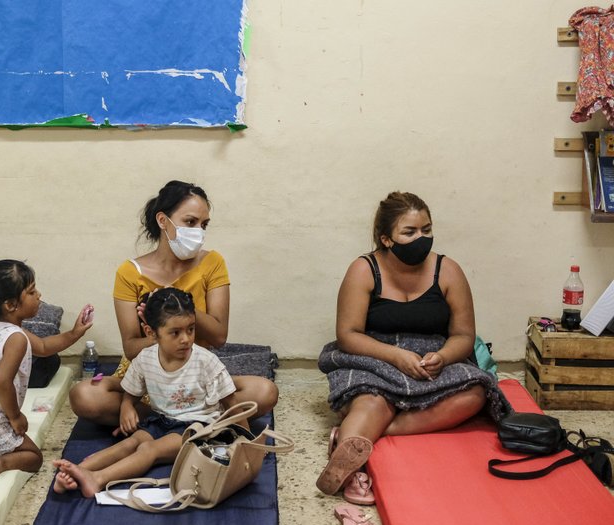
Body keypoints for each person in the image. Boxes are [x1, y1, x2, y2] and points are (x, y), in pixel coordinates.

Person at [317, 191, 488, 502]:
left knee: (476, 392)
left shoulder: (448, 270)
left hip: (430, 358)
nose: (421, 238)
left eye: (426, 229)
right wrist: (395, 357)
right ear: (386, 239)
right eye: (409, 232)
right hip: (375, 354)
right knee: (372, 400)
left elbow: (464, 335)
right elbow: (348, 334)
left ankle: (358, 437)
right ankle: (351, 470)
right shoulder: (364, 269)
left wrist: (443, 356)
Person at [68, 180, 278, 426]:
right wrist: (161, 333)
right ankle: (182, 419)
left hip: (194, 373)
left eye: (204, 225)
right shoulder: (129, 272)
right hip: (147, 378)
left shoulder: (213, 263)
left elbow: (219, 337)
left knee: (264, 392)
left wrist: (179, 302)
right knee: (83, 396)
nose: (198, 231)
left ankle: (167, 421)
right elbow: (131, 348)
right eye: (190, 222)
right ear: (162, 221)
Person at [53, 287, 240, 496]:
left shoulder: (206, 361)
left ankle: (97, 479)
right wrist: (126, 407)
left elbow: (233, 405)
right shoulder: (145, 358)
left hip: (197, 428)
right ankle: (78, 470)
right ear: (151, 333)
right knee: (131, 442)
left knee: (149, 450)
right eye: (175, 333)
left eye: (191, 329)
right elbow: (130, 392)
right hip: (161, 420)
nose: (186, 339)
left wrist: (245, 447)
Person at [0, 259, 94, 486]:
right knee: (34, 458)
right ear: (10, 305)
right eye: (32, 291)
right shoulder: (15, 338)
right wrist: (15, 417)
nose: (39, 295)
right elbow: (2, 382)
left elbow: (44, 348)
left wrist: (75, 333)